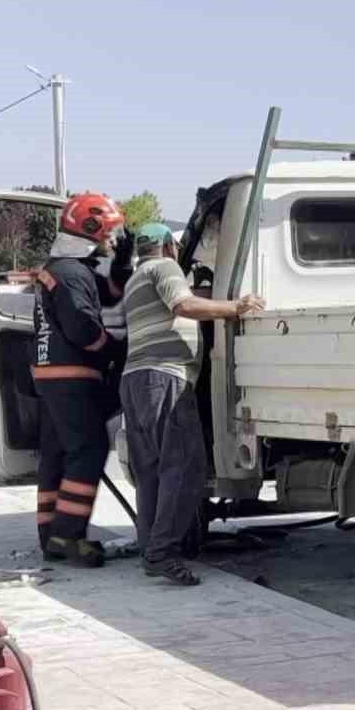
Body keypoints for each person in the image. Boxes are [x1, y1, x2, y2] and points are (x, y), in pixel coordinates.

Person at [119, 222, 263, 585]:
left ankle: (149, 549)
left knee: (151, 473)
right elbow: (183, 305)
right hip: (165, 378)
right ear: (169, 247)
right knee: (185, 469)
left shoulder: (135, 279)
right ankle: (163, 552)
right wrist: (235, 306)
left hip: (135, 381)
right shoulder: (166, 268)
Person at [32, 192, 134, 567]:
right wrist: (112, 349)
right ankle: (69, 535)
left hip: (51, 375)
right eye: (110, 234)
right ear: (91, 229)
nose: (113, 240)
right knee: (89, 449)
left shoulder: (65, 268)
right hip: (72, 375)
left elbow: (104, 297)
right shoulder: (72, 272)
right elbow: (83, 325)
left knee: (58, 454)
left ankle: (51, 536)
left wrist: (121, 266)